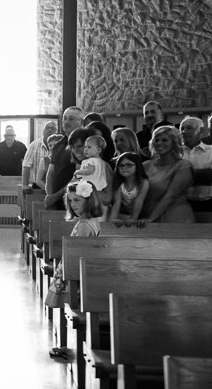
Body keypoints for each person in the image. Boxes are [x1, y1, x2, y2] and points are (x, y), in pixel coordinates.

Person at [45, 179, 104, 359]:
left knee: (67, 308)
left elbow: (81, 252)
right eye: (70, 200)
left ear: (89, 200)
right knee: (66, 309)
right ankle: (66, 344)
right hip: (72, 270)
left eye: (77, 200)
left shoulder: (85, 224)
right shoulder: (88, 221)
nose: (73, 204)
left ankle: (66, 345)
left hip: (74, 275)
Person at [140, 125, 194, 223]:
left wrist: (150, 219)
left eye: (164, 140)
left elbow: (170, 196)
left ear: (174, 143)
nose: (159, 143)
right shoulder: (146, 165)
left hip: (174, 218)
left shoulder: (183, 166)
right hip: (146, 218)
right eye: (156, 140)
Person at [45, 106, 85, 209]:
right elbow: (50, 174)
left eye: (71, 119)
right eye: (64, 118)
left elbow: (78, 177)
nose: (66, 122)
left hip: (75, 201)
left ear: (81, 122)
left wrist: (55, 196)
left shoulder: (83, 145)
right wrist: (50, 196)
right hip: (57, 202)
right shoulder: (58, 145)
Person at [180, 116, 212, 213]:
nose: (184, 131)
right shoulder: (175, 152)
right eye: (182, 128)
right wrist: (203, 175)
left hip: (208, 205)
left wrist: (181, 175)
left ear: (201, 131)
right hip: (180, 205)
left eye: (189, 128)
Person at [108, 152, 149, 225]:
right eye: (121, 165)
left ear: (137, 166)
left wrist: (133, 218)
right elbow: (117, 202)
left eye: (129, 165)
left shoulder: (143, 182)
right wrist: (112, 219)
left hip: (140, 216)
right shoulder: (119, 182)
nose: (124, 168)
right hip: (123, 214)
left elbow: (139, 201)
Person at [22, 121, 57, 190]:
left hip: (55, 185)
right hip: (37, 186)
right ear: (43, 130)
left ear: (56, 132)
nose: (50, 130)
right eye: (47, 128)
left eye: (53, 128)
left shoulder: (60, 146)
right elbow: (26, 165)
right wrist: (25, 185)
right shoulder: (34, 145)